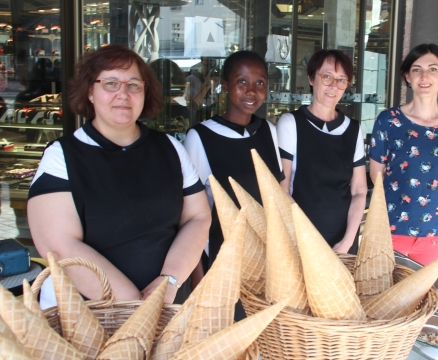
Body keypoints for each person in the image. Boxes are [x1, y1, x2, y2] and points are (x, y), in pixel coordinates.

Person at [27, 45, 211, 305]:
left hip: (167, 306)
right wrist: (133, 303)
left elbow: (198, 217)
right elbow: (61, 246)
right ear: (90, 91)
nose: (123, 94)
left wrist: (168, 282)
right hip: (90, 314)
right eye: (110, 83)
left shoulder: (170, 148)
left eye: (134, 85)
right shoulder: (62, 156)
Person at [369, 43, 438, 265]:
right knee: (382, 297)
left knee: (427, 298)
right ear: (407, 76)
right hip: (388, 232)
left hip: (433, 235)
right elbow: (377, 177)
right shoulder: (388, 121)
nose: (424, 75)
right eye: (416, 69)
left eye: (433, 69)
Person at [184, 50, 282, 268]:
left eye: (259, 82)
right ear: (225, 86)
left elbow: (277, 196)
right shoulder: (201, 137)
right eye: (241, 81)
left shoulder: (268, 131)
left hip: (268, 257)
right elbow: (191, 214)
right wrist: (197, 273)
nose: (251, 91)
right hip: (222, 257)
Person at [277, 49, 367, 255]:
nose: (333, 86)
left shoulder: (353, 129)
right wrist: (309, 240)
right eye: (326, 77)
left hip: (343, 243)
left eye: (341, 80)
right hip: (300, 240)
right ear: (311, 78)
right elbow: (282, 189)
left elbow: (359, 191)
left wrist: (347, 242)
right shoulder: (291, 123)